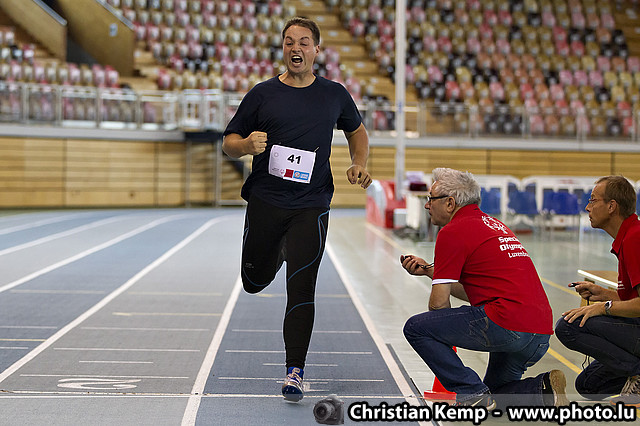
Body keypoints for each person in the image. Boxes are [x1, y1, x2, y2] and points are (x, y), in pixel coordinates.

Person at [221, 17, 372, 402]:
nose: (296, 48)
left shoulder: (334, 94)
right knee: (254, 281)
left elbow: (357, 131)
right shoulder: (262, 94)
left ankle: (295, 371)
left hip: (311, 205)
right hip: (266, 202)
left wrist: (359, 162)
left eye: (304, 42)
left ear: (316, 50)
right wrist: (246, 146)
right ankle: (276, 253)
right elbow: (228, 142)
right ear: (283, 48)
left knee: (302, 286)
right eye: (289, 42)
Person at [401, 167, 568, 408]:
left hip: (508, 324)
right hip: (539, 332)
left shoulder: (452, 232)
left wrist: (443, 337)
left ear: (450, 203)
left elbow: (438, 306)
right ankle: (543, 389)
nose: (427, 205)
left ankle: (472, 393)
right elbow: (476, 293)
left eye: (431, 199)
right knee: (496, 395)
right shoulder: (494, 225)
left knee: (417, 328)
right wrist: (430, 272)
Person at [556, 175, 640, 405]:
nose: (587, 207)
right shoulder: (628, 236)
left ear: (612, 206)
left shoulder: (635, 238)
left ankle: (637, 374)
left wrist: (603, 307)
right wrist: (605, 294)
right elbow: (634, 299)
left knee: (568, 327)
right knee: (589, 385)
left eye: (593, 200)